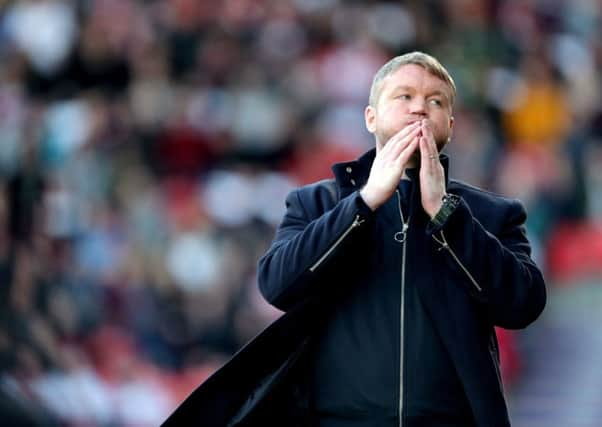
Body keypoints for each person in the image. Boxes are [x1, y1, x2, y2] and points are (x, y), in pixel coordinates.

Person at [160, 51, 546, 427]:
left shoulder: (492, 213)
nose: (419, 108)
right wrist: (362, 205)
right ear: (370, 118)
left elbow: (523, 305)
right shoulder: (316, 202)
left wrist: (446, 214)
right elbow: (276, 285)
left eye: (435, 101)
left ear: (450, 123)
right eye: (404, 96)